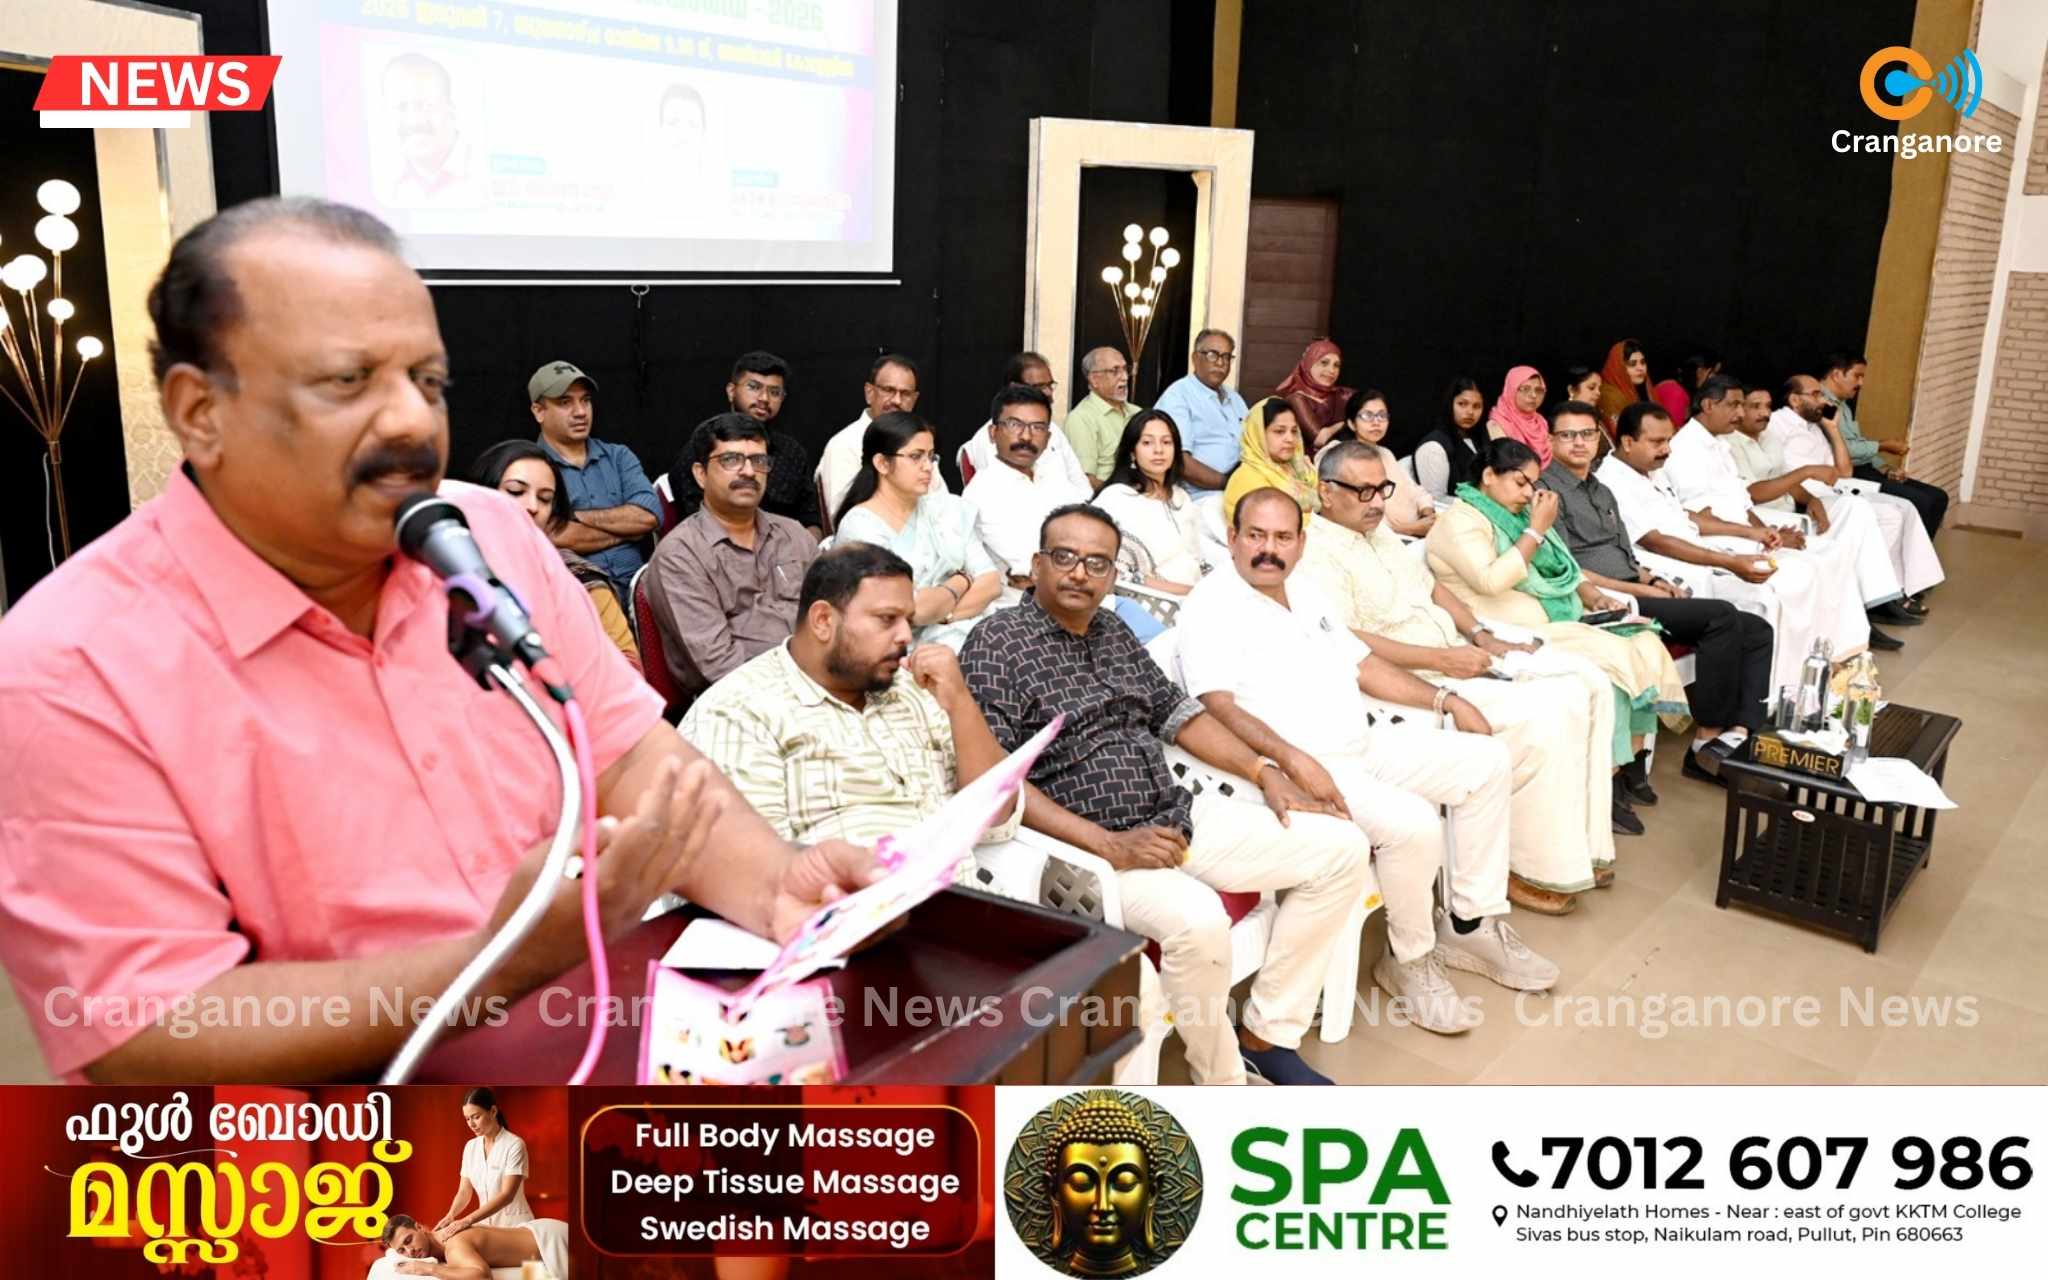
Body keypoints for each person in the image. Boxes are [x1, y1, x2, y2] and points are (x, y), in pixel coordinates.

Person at [0, 197, 879, 1084]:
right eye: (349, 381)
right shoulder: (67, 666)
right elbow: (146, 1033)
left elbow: (633, 761)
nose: (412, 423)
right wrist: (496, 968)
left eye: (427, 381)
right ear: (200, 411)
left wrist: (778, 885)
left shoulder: (487, 536)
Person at [960, 505, 1374, 1085]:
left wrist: (1264, 771)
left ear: (1112, 575)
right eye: (1065, 557)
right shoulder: (998, 643)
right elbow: (997, 778)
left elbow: (1179, 715)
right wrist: (1109, 845)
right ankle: (1220, 1078)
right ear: (1037, 563)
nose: (1079, 573)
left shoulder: (1113, 632)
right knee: (1199, 920)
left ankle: (1268, 1034)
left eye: (1097, 563)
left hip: (1175, 814)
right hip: (1087, 854)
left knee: (1342, 850)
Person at [1178, 488, 1560, 1029]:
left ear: (1301, 543)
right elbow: (1215, 705)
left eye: (1283, 537)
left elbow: (1363, 666)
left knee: (1487, 761)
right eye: (1256, 535)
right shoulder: (1212, 606)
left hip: (1363, 742)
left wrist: (1445, 698)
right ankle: (1409, 959)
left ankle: (1470, 925)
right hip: (1300, 767)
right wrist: (1289, 760)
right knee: (1414, 825)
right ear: (1233, 538)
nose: (1269, 549)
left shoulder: (1304, 590)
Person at [1303, 442, 1620, 910]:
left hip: (1456, 650)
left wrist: (1481, 635)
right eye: (1362, 491)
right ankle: (1521, 864)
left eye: (1382, 489)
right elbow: (1348, 641)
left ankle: (1578, 849)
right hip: (1412, 680)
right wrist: (1444, 660)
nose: (1376, 502)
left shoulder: (1379, 532)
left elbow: (1430, 587)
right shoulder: (1314, 552)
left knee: (1587, 684)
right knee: (1545, 716)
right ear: (1326, 491)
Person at [1426, 438, 1690, 833]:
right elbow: (1491, 581)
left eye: (1533, 484)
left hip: (1556, 616)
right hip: (1511, 631)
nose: (1528, 494)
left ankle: (1630, 763)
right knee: (1614, 669)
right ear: (1488, 476)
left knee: (1644, 640)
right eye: (1520, 483)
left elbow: (1564, 564)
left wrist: (1592, 595)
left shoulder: (1514, 513)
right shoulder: (1460, 521)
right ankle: (1606, 782)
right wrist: (1535, 530)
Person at [681, 545, 1019, 848]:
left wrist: (960, 703)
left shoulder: (914, 689)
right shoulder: (739, 712)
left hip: (965, 887)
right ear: (823, 621)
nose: (906, 635)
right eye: (887, 619)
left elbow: (997, 817)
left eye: (908, 619)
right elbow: (757, 873)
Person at [1540, 403, 1775, 786]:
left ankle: (1737, 736)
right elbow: (1569, 567)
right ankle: (1705, 745)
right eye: (1567, 435)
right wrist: (1640, 588)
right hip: (1600, 597)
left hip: (1634, 587)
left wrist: (1653, 579)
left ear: (1599, 438)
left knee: (1757, 629)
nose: (1579, 443)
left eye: (1587, 434)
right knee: (1721, 616)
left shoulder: (1601, 489)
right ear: (1550, 440)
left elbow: (1626, 554)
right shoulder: (1547, 492)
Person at [1597, 400, 1880, 691]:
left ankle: (1809, 675)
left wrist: (1751, 533)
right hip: (1671, 566)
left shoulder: (1651, 469)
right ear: (1628, 442)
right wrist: (1729, 562)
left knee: (1803, 573)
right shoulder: (1612, 481)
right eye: (1657, 442)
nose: (1667, 449)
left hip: (1701, 548)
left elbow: (1684, 516)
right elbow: (1658, 541)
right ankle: (1773, 690)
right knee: (1772, 590)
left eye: (1668, 440)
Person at [1664, 376, 1905, 651]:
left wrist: (1770, 533)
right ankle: (1815, 650)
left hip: (1747, 530)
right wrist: (1761, 536)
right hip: (1721, 541)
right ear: (1708, 405)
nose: (1740, 414)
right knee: (1809, 568)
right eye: (1734, 405)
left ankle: (1846, 642)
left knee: (1833, 553)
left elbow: (1742, 503)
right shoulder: (1686, 448)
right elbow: (1700, 518)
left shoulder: (1718, 443)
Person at [646, 414, 820, 700]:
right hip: (739, 702)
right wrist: (804, 687)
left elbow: (835, 615)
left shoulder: (794, 535)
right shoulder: (680, 555)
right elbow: (719, 666)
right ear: (701, 474)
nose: (749, 471)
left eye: (758, 460)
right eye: (731, 460)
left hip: (818, 684)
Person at [1764, 375, 1941, 616]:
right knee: (1889, 515)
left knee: (1905, 507)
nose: (1822, 401)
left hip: (1835, 487)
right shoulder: (1777, 423)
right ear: (1795, 400)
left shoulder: (1815, 426)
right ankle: (1877, 595)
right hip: (1807, 493)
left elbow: (1845, 471)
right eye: (1815, 395)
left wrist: (1833, 429)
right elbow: (1778, 472)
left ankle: (1899, 587)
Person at [830, 413, 1003, 651]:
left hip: (967, 633)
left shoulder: (945, 509)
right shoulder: (860, 526)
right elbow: (911, 609)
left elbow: (991, 582)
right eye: (916, 456)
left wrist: (944, 618)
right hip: (894, 650)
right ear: (882, 463)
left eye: (931, 456)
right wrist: (961, 581)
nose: (928, 466)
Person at [470, 441, 640, 672]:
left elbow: (629, 668)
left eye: (545, 499)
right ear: (480, 494)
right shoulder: (443, 568)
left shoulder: (582, 579)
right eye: (516, 492)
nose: (532, 506)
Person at [529, 360, 660, 585]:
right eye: (565, 402)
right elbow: (551, 534)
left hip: (641, 586)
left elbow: (649, 515)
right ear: (539, 411)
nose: (581, 412)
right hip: (576, 589)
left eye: (586, 400)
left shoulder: (619, 456)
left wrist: (575, 516)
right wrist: (628, 531)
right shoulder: (531, 466)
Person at [670, 351, 818, 530]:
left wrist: (806, 545)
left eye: (774, 392)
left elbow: (811, 519)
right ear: (731, 391)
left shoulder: (792, 452)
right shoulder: (705, 444)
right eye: (754, 387)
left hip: (787, 544)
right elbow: (694, 520)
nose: (764, 398)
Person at [1821, 351, 1949, 537]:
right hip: (1847, 473)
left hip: (1865, 469)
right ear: (1836, 374)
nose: (1861, 383)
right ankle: (1906, 553)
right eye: (1857, 376)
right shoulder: (1823, 404)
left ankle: (1920, 552)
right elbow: (1845, 449)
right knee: (1922, 501)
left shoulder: (1843, 405)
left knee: (1938, 496)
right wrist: (1883, 445)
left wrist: (1885, 467)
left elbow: (1857, 443)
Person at [1093, 409, 1208, 593]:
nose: (1159, 450)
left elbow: (1198, 560)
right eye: (1147, 442)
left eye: (1166, 442)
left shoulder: (1181, 498)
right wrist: (1186, 593)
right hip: (1145, 600)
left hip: (1194, 596)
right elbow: (1113, 572)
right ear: (1132, 453)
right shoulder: (1116, 498)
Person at [956, 352, 1096, 493]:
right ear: (1014, 387)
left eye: (1049, 385)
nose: (1048, 392)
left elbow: (1081, 484)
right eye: (1039, 386)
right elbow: (1000, 492)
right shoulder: (994, 436)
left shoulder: (1053, 430)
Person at [817, 353, 926, 520]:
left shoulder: (921, 444)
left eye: (905, 394)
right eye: (889, 390)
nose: (897, 400)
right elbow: (844, 517)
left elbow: (942, 505)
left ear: (914, 399)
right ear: (869, 392)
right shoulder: (844, 445)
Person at [1152, 329, 1251, 492]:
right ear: (1195, 358)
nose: (1220, 363)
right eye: (1212, 355)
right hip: (1200, 494)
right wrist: (1229, 484)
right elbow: (1179, 460)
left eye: (1226, 356)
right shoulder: (1178, 396)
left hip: (1241, 486)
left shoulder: (1235, 399)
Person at [1327, 389, 1435, 536]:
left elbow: (1416, 491)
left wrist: (1427, 515)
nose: (1376, 422)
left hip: (1415, 531)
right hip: (1378, 538)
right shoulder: (1338, 455)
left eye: (1382, 416)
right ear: (1351, 423)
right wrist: (1409, 529)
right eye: (1367, 416)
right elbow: (1350, 514)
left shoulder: (1385, 453)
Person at [381, 54, 479, 210]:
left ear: (451, 109)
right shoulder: (385, 182)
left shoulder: (480, 169)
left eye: (426, 105)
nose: (415, 120)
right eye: (401, 107)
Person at [431, 1088, 533, 1238]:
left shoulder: (514, 1144)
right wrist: (451, 1215)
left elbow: (507, 1195)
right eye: (467, 1119)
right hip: (486, 1228)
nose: (471, 1124)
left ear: (493, 1111)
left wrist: (467, 1220)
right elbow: (464, 1191)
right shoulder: (471, 1147)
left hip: (515, 1227)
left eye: (476, 1117)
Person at [1222, 397, 1319, 526]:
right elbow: (1272, 526)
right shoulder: (1246, 478)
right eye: (1279, 431)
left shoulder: (1301, 470)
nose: (1290, 439)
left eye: (1294, 431)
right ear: (1258, 434)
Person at [384, 1214, 568, 1279]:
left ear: (419, 1228)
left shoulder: (453, 1246)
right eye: (401, 1250)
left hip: (551, 1240)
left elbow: (482, 1275)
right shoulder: (441, 1237)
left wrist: (428, 1269)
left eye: (408, 1240)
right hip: (539, 1231)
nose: (410, 1251)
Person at [1064, 346, 1145, 486]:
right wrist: (1125, 495)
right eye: (1115, 371)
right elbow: (1085, 481)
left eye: (1125, 369)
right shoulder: (1081, 419)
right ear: (1094, 379)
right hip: (1110, 495)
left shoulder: (1137, 412)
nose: (1125, 377)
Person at [1411, 377, 1487, 502]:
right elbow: (1436, 500)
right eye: (1462, 404)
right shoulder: (1434, 447)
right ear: (1450, 404)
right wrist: (1482, 505)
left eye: (1477, 406)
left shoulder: (1479, 439)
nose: (1470, 412)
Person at [1273, 338, 1354, 453]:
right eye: (1324, 363)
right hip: (1307, 462)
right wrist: (1350, 423)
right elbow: (1319, 439)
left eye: (1336, 365)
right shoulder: (1297, 398)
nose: (1331, 370)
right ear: (1309, 363)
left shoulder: (1343, 394)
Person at [1486, 366, 1552, 466]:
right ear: (1511, 389)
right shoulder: (1497, 424)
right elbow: (1507, 463)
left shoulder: (1541, 423)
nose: (1533, 395)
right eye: (1525, 389)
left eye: (1539, 390)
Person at [1651, 350, 1721, 432]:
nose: (1715, 378)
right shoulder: (1675, 392)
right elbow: (1671, 433)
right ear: (1699, 371)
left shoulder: (1677, 389)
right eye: (1713, 372)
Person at [1595, 339, 1653, 433]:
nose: (1640, 368)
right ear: (1618, 367)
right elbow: (1622, 435)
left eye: (1643, 362)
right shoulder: (1609, 398)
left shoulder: (1633, 393)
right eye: (1632, 364)